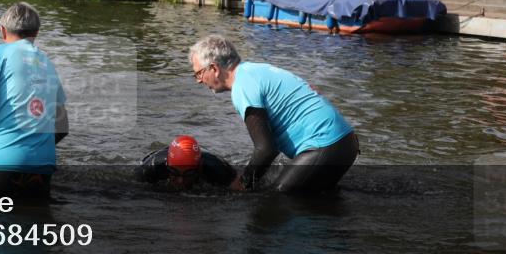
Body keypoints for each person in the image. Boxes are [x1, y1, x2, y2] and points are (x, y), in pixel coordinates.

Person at [190, 35, 359, 193]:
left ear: (214, 68)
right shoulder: (255, 70)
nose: (198, 80)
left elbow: (266, 149)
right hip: (345, 142)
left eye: (199, 73)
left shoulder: (242, 86)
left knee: (277, 202)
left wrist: (242, 183)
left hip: (325, 145)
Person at [0, 2, 68, 203]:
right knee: (35, 230)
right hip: (42, 169)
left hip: (0, 165)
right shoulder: (47, 62)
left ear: (2, 30)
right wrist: (33, 148)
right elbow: (62, 126)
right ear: (37, 32)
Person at [136, 135, 237, 190]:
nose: (180, 181)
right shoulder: (152, 166)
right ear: (167, 165)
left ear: (199, 167)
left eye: (188, 174)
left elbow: (239, 189)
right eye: (174, 172)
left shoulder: (218, 169)